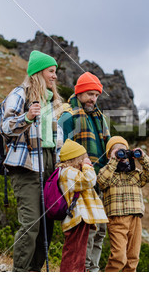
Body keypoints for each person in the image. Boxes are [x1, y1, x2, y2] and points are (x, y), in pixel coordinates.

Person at [1, 50, 63, 272]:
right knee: (31, 225)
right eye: (51, 71)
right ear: (38, 72)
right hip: (26, 165)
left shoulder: (53, 101)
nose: (55, 76)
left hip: (49, 165)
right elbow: (5, 128)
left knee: (47, 227)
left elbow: (59, 137)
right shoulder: (20, 94)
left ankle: (34, 274)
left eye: (55, 72)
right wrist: (27, 117)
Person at [58, 72, 110, 271]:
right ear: (78, 93)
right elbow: (60, 149)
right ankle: (84, 269)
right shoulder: (68, 116)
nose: (93, 99)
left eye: (96, 95)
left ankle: (93, 269)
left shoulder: (100, 118)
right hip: (80, 181)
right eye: (89, 94)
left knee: (101, 229)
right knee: (86, 229)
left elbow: (106, 146)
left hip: (100, 179)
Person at [97, 136, 149, 272]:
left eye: (124, 151)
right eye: (117, 152)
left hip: (135, 218)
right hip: (116, 219)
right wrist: (113, 160)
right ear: (110, 154)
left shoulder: (135, 174)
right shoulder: (107, 173)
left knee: (133, 258)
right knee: (118, 257)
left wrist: (142, 157)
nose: (122, 155)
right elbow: (101, 181)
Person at [57, 139, 108, 272]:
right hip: (76, 218)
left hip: (82, 218)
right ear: (76, 159)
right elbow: (90, 180)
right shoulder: (67, 172)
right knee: (74, 253)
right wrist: (87, 166)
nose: (87, 161)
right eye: (84, 158)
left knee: (80, 255)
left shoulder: (73, 173)